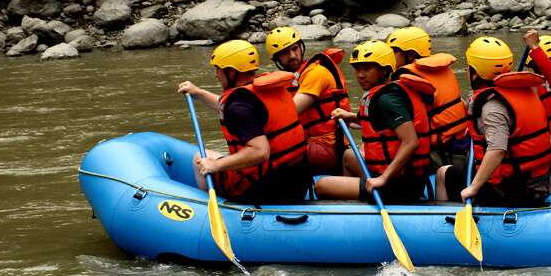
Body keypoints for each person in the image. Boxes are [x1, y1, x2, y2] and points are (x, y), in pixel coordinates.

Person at [177, 40, 311, 204]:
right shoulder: (268, 91)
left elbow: (260, 152)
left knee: (199, 158)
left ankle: (208, 213)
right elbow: (231, 108)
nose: (216, 75)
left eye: (218, 69)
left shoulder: (240, 105)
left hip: (266, 189)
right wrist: (197, 92)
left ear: (231, 72)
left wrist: (215, 166)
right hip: (298, 181)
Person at [435, 37, 551, 207]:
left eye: (469, 68)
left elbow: (497, 149)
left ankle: (443, 223)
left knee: (443, 173)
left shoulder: (493, 106)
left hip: (512, 191)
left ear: (476, 72)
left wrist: (473, 187)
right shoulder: (524, 91)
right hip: (537, 182)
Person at [314, 40, 435, 202]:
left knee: (322, 185)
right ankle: (357, 204)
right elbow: (383, 124)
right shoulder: (386, 92)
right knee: (349, 155)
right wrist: (350, 116)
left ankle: (359, 204)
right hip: (397, 176)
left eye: (367, 69)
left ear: (384, 71)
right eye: (357, 69)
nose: (360, 75)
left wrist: (383, 178)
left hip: (400, 184)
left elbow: (411, 142)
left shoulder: (387, 100)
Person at [265, 26, 351, 174]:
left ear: (301, 47)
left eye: (295, 48)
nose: (292, 55)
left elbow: (290, 112)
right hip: (311, 145)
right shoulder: (286, 80)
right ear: (276, 59)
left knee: (268, 154)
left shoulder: (316, 73)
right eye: (285, 53)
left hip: (330, 147)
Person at [387, 26, 470, 169]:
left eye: (394, 52)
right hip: (461, 145)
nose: (389, 57)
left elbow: (401, 118)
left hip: (438, 153)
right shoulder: (442, 69)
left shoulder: (409, 77)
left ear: (411, 55)